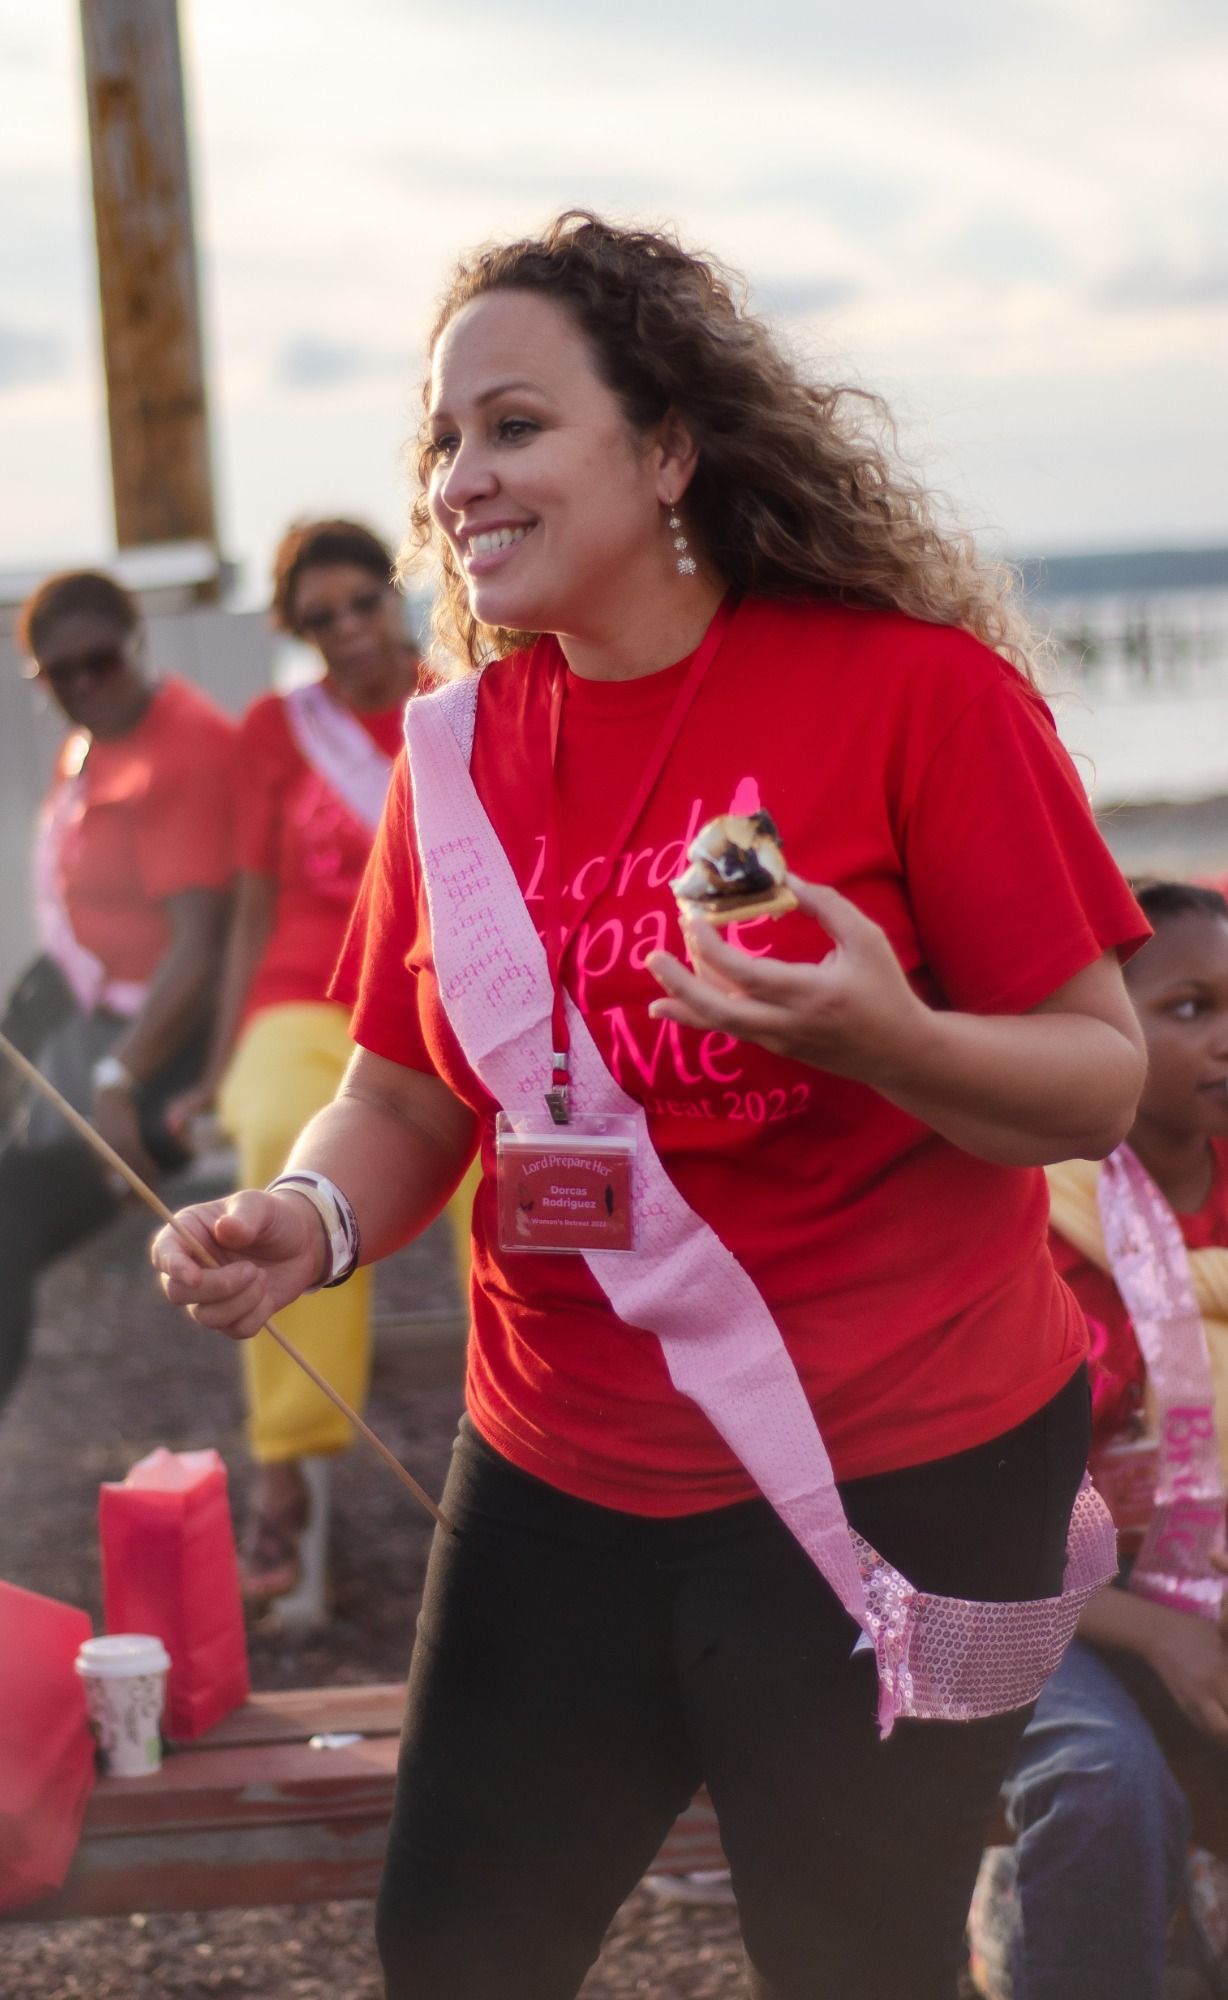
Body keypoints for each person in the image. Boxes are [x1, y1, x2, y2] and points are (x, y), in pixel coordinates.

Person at [152, 212, 1150, 1999]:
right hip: (553, 1472)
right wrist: (304, 1217)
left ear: (670, 449)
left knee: (853, 1970)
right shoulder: (449, 758)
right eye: (442, 439)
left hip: (898, 1476)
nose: (459, 478)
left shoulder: (914, 696)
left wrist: (890, 1041)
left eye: (515, 426)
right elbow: (399, 1095)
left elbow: (1095, 1080)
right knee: (455, 1952)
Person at [170, 518, 470, 1627]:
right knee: (278, 1144)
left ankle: (528, 1444)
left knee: (515, 1162)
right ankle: (287, 1459)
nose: (345, 629)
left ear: (396, 598)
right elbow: (252, 904)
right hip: (301, 988)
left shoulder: (460, 695)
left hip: (442, 983)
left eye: (361, 603)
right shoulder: (277, 728)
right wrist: (213, 1066)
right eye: (318, 617)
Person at [0, 569, 236, 1564]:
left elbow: (201, 947)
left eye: (104, 659)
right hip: (107, 1030)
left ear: (139, 642)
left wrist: (119, 1080)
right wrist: (9, 1060)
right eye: (63, 672)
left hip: (174, 1050)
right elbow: (82, 934)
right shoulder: (91, 744)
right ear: (37, 678)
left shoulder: (182, 748)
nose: (88, 683)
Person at [969, 880, 1228, 2000]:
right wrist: (1162, 1633)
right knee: (1098, 1777)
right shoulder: (1023, 1218)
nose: (1225, 1038)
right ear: (1097, 1030)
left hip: (1198, 1568)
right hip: (1022, 1589)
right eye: (1189, 1008)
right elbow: (973, 1524)